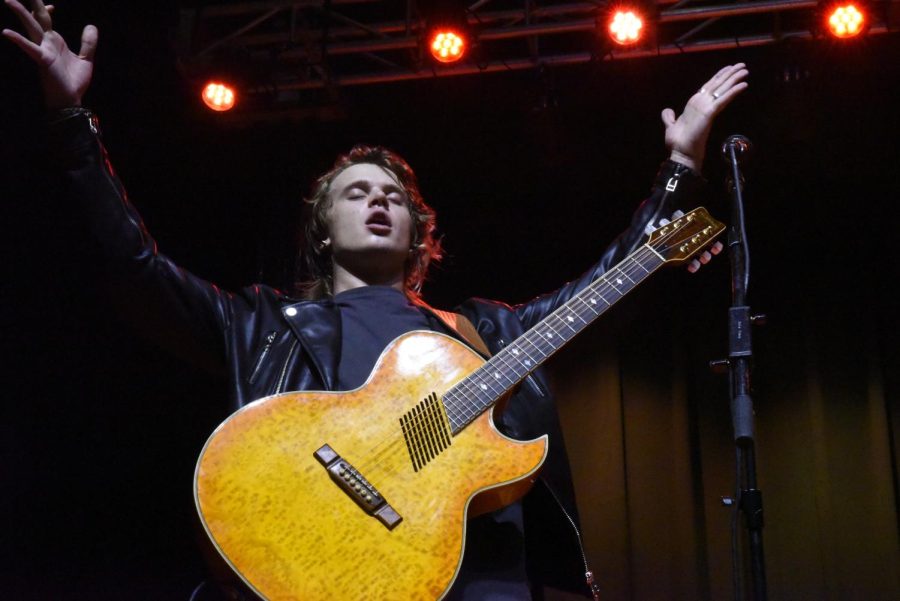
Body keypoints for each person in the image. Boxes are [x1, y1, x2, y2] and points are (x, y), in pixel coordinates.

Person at [4, 1, 747, 598]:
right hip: (323, 568)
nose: (379, 202)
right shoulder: (263, 325)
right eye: (356, 193)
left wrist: (680, 167)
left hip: (483, 578)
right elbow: (137, 270)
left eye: (394, 195)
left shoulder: (485, 331)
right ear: (322, 230)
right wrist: (72, 125)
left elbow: (604, 287)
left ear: (422, 233)